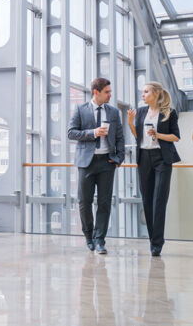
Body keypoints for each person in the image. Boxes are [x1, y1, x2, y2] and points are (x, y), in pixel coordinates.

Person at [68, 78, 124, 254]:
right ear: (96, 92)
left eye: (110, 91)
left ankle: (100, 240)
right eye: (107, 92)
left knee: (104, 202)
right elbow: (71, 132)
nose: (110, 94)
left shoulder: (114, 112)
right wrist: (93, 133)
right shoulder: (80, 109)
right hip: (86, 162)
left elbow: (121, 137)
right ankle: (88, 237)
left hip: (107, 162)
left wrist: (118, 159)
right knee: (84, 201)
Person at [127, 82, 180, 256]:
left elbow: (175, 137)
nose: (143, 95)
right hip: (144, 159)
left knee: (159, 201)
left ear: (156, 94)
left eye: (146, 92)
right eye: (142, 92)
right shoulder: (141, 112)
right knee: (147, 201)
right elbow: (139, 136)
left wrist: (158, 135)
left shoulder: (169, 113)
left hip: (162, 159)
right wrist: (130, 123)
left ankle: (157, 244)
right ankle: (153, 240)